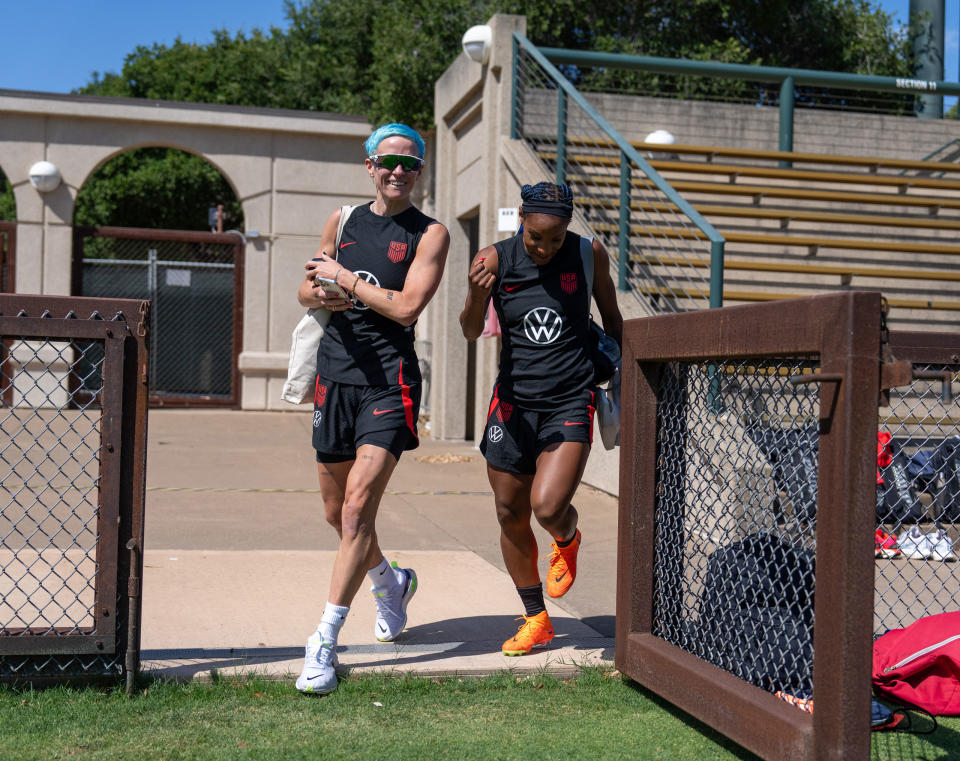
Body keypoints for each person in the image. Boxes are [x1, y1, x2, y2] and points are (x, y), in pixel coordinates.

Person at [294, 123, 449, 694]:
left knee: (358, 510)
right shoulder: (342, 221)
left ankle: (323, 643)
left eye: (410, 165)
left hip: (390, 383)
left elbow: (407, 307)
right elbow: (307, 290)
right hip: (334, 378)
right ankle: (391, 582)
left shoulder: (430, 233)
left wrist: (345, 282)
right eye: (388, 162)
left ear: (420, 171)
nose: (399, 173)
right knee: (337, 517)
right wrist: (326, 290)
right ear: (369, 165)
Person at [459, 181, 623, 656]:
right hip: (511, 406)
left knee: (548, 507)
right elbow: (471, 331)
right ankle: (536, 619)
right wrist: (475, 294)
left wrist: (621, 377)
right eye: (535, 237)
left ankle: (567, 537)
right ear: (522, 224)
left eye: (554, 238)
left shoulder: (589, 254)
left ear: (568, 228)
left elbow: (612, 317)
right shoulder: (493, 260)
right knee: (511, 513)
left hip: (570, 399)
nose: (545, 247)